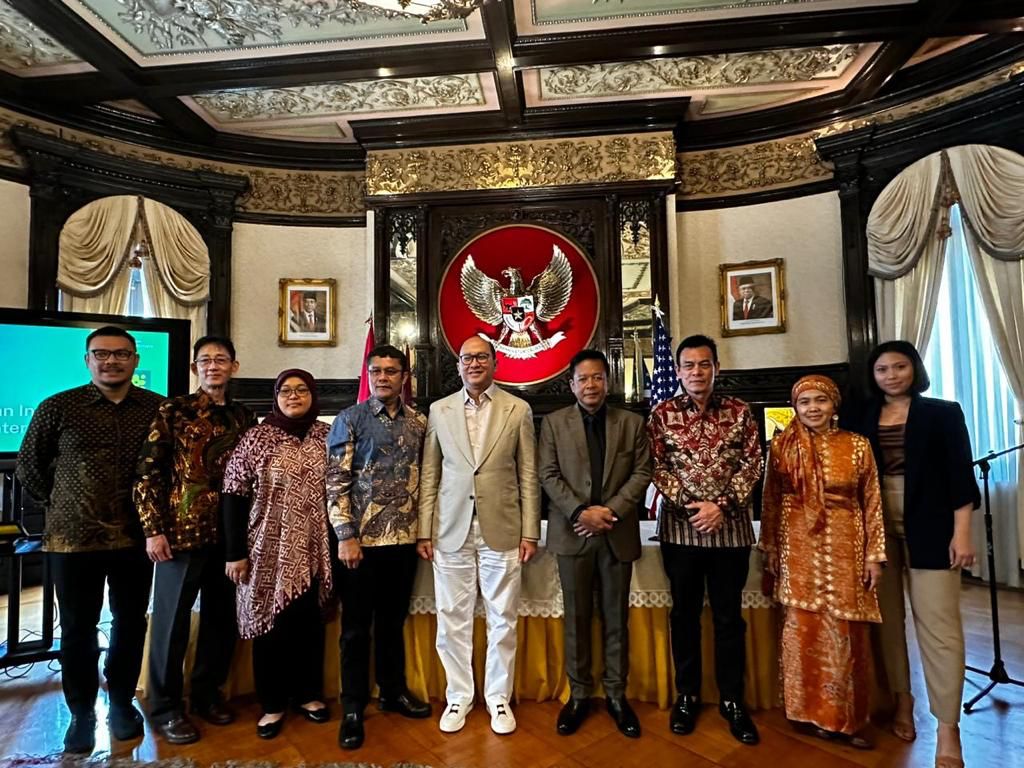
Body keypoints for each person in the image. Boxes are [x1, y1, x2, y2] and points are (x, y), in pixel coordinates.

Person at [15, 327, 164, 754]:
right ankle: (80, 712)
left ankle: (120, 701)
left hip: (135, 538)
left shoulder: (156, 409)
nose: (110, 361)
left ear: (135, 361)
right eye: (101, 354)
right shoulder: (57, 408)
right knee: (78, 630)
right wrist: (65, 502)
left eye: (121, 354)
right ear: (87, 360)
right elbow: (29, 467)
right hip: (72, 540)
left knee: (130, 623)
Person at [844, 340, 979, 768]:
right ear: (873, 375)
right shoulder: (860, 417)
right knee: (886, 623)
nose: (891, 376)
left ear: (914, 369)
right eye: (882, 369)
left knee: (939, 628)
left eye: (899, 367)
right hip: (875, 527)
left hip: (934, 526)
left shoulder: (943, 412)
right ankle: (902, 700)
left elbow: (961, 477)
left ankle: (947, 727)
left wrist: (963, 534)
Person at [134, 335, 256, 745]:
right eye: (205, 360)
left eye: (221, 360)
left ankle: (207, 695)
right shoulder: (174, 410)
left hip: (229, 538)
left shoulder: (243, 417)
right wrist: (153, 529)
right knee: (171, 623)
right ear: (194, 368)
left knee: (222, 621)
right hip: (180, 534)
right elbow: (149, 472)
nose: (213, 366)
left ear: (234, 367)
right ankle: (165, 707)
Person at [416, 336, 540, 735]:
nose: (473, 363)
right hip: (449, 529)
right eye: (467, 358)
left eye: (481, 357)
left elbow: (528, 475)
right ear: (458, 366)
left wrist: (530, 531)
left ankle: (498, 698)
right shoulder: (439, 410)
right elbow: (431, 474)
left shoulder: (518, 410)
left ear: (495, 363)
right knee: (452, 618)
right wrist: (424, 530)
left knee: (503, 617)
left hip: (502, 527)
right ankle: (459, 696)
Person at [647, 334, 762, 745]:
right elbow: (655, 466)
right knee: (684, 616)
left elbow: (753, 463)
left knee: (729, 618)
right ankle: (687, 694)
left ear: (717, 368)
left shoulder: (741, 412)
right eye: (689, 366)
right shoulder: (661, 413)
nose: (697, 372)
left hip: (729, 532)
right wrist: (694, 504)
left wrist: (722, 505)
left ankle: (733, 700)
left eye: (704, 364)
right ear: (677, 372)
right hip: (680, 532)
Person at [760, 374, 886, 749]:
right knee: (803, 628)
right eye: (804, 402)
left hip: (847, 543)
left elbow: (873, 502)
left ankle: (846, 719)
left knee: (846, 631)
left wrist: (875, 555)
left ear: (834, 406)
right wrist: (769, 548)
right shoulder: (782, 446)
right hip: (796, 546)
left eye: (820, 401)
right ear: (795, 408)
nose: (813, 408)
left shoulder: (857, 446)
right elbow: (770, 501)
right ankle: (805, 712)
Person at [538, 349, 651, 739]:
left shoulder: (632, 423)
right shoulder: (553, 424)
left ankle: (618, 695)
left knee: (616, 618)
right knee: (577, 618)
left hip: (616, 533)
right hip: (573, 533)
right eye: (583, 379)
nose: (591, 385)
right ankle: (580, 694)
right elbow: (548, 475)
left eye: (598, 377)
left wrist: (610, 511)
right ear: (571, 384)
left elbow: (642, 472)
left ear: (608, 381)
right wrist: (580, 513)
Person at [327, 344, 431, 750]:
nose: (384, 377)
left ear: (404, 376)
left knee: (392, 623)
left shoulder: (420, 423)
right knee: (354, 629)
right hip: (360, 545)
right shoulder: (349, 419)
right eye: (377, 370)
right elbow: (335, 481)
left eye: (392, 371)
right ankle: (353, 705)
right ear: (368, 375)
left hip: (403, 541)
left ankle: (392, 691)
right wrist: (345, 535)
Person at [221, 369, 334, 741]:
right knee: (270, 623)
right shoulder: (256, 437)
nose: (294, 395)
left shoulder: (326, 436)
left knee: (308, 622)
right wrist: (235, 552)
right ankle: (272, 703)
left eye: (302, 389)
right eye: (286, 390)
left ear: (313, 395)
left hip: (315, 544)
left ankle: (309, 695)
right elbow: (233, 494)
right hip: (266, 546)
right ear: (276, 395)